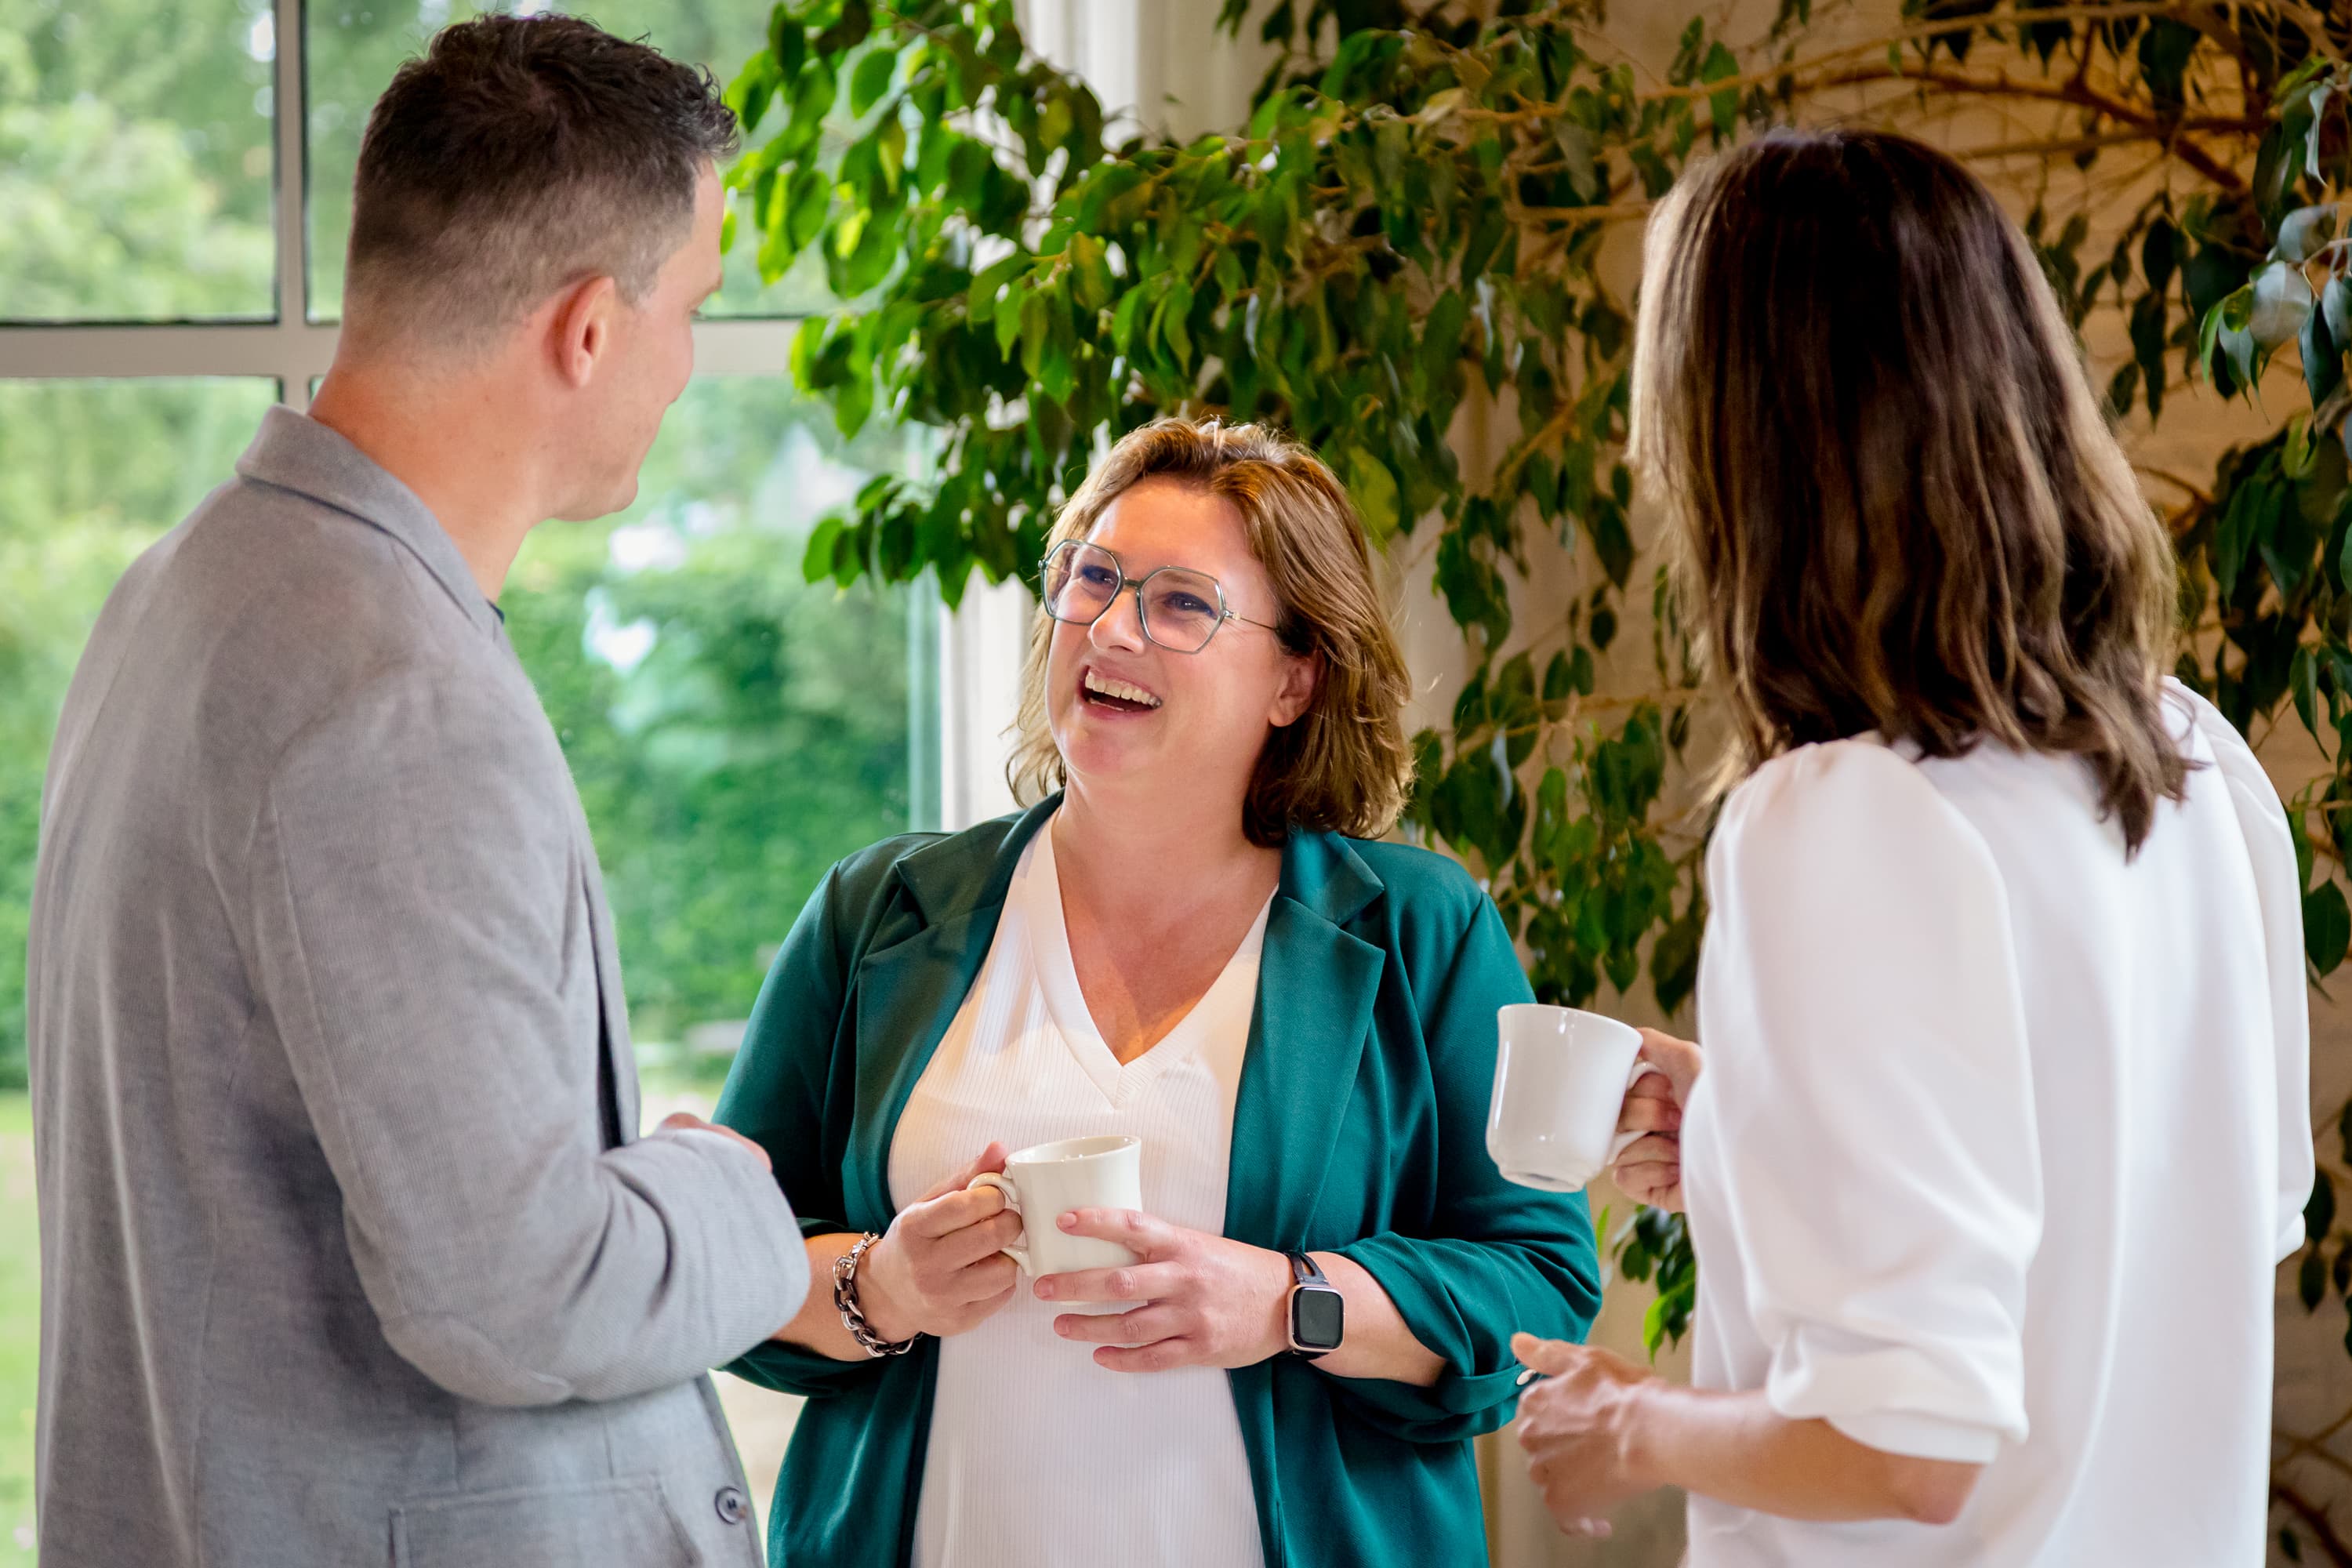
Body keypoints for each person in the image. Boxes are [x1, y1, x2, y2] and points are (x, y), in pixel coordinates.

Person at [27, 18, 808, 1567]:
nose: (684, 368)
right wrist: (733, 1198)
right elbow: (512, 1290)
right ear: (590, 330)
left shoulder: (186, 589)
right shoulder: (393, 695)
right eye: (694, 311)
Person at [1507, 128, 2316, 1563]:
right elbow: (2146, 1241)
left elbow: (1909, 1446)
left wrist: (1626, 1420)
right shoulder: (2199, 762)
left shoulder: (1838, 822)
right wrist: (1767, 1134)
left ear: (1748, 449)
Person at [713, 416, 1601, 1568]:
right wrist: (885, 1283)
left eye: (1183, 603)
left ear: (1295, 677)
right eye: (1092, 579)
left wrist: (1292, 1302)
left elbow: (1537, 1285)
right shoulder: (879, 912)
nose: (1112, 626)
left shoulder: (1420, 930)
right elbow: (723, 1261)